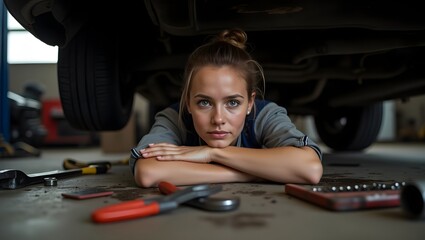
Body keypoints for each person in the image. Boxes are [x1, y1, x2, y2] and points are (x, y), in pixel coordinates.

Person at [130, 29, 323, 188]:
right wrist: (249, 174)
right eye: (204, 102)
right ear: (188, 102)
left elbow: (310, 169)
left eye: (233, 103)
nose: (218, 119)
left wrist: (212, 153)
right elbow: (148, 172)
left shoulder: (264, 114)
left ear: (250, 103)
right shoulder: (175, 118)